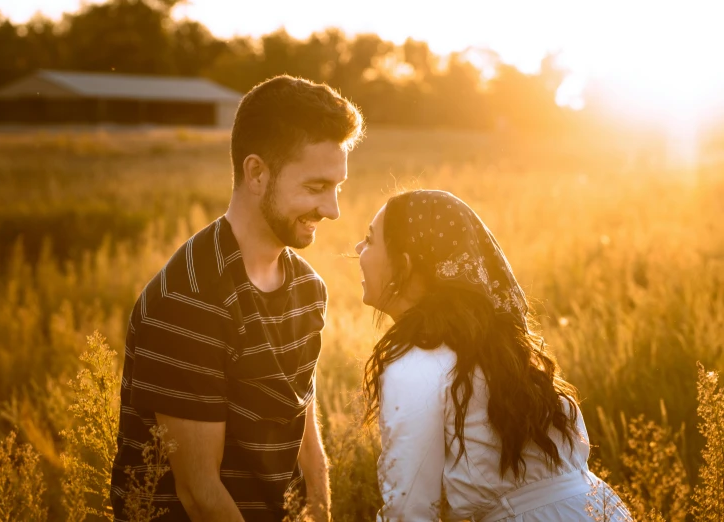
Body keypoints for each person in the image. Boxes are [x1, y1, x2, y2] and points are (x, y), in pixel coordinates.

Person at [110, 75, 364, 522]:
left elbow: (300, 410)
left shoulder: (307, 288)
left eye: (337, 187)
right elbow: (199, 494)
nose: (332, 210)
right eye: (315, 187)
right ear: (256, 173)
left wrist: (320, 507)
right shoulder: (190, 299)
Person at [354, 190, 632, 521]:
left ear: (404, 265)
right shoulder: (492, 344)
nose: (358, 249)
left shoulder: (417, 362)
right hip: (598, 509)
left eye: (370, 241)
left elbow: (409, 507)